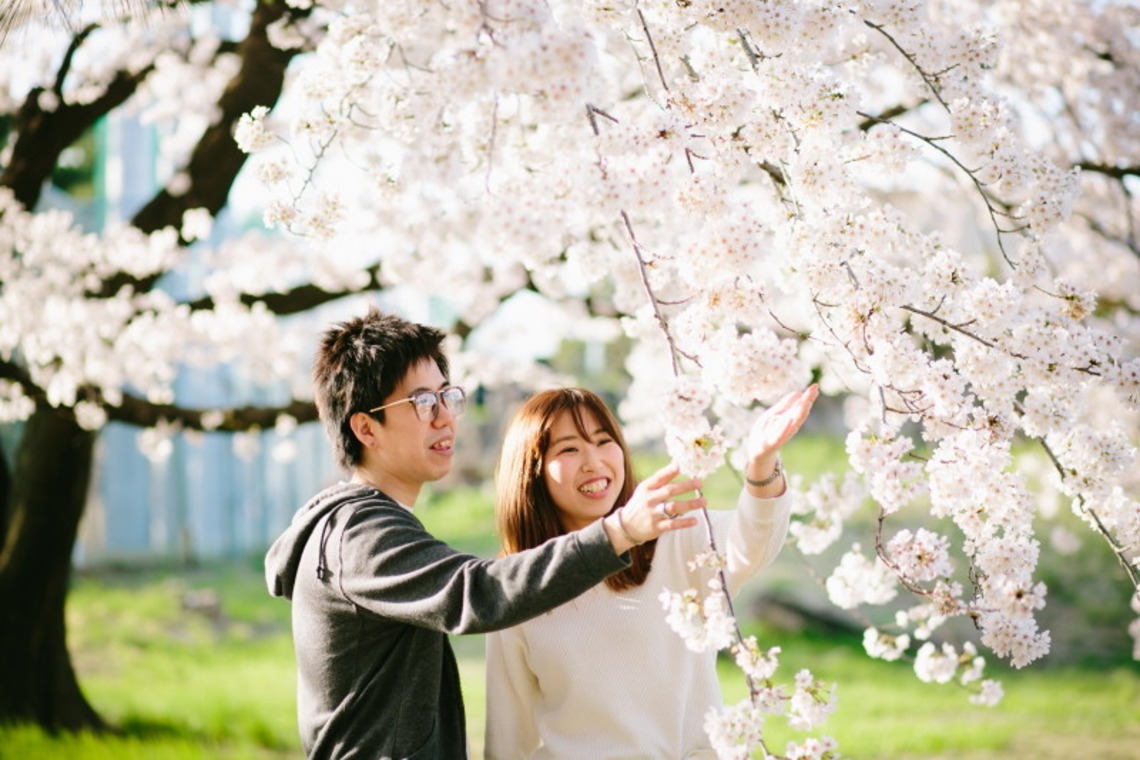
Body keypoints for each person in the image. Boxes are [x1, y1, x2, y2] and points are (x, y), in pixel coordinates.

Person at [263, 308, 707, 760]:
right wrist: (618, 531)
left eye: (446, 396)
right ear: (365, 428)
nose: (444, 418)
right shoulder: (357, 534)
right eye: (421, 403)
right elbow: (474, 593)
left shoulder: (367, 524)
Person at [484, 384, 819, 759]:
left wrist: (760, 463)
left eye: (602, 440)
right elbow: (509, 734)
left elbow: (752, 543)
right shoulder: (517, 583)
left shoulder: (674, 536)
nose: (593, 461)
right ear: (532, 472)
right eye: (569, 449)